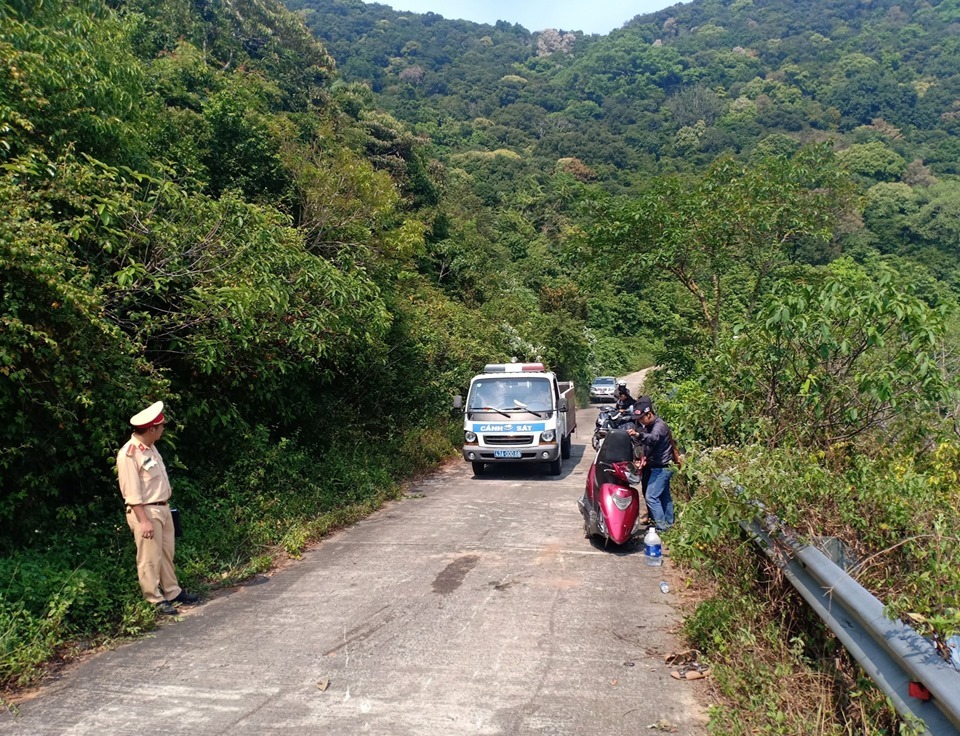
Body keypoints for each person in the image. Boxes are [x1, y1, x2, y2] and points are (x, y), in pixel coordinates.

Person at [117, 401, 198, 615]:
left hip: (162, 508)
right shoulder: (129, 454)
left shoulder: (150, 448)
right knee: (150, 558)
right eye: (161, 427)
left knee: (166, 554)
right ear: (151, 429)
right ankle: (154, 598)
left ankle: (172, 591)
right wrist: (143, 520)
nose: (163, 430)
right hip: (146, 512)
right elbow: (131, 493)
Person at [626, 397, 678, 532]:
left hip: (662, 467)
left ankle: (661, 528)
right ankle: (669, 525)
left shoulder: (658, 426)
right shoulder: (649, 426)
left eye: (642, 418)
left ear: (649, 414)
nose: (640, 421)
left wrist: (638, 435)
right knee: (664, 496)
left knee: (651, 497)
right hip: (661, 466)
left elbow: (653, 439)